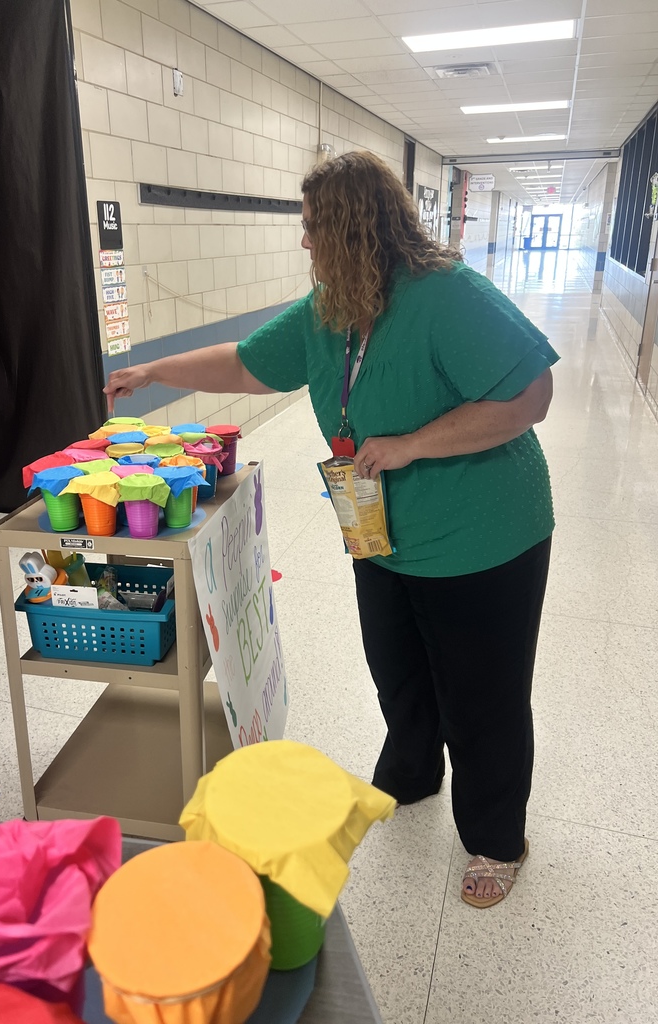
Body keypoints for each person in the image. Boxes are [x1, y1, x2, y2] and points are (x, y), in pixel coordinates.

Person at [104, 151, 557, 908]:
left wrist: (410, 444)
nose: (305, 242)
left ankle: (495, 836)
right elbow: (250, 365)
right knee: (398, 668)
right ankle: (412, 772)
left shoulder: (447, 295)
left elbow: (530, 398)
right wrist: (157, 372)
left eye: (313, 227)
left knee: (483, 694)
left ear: (353, 227)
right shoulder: (333, 307)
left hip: (483, 536)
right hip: (379, 530)